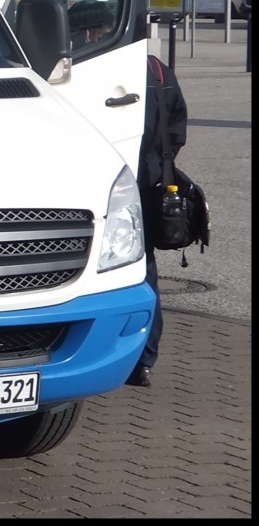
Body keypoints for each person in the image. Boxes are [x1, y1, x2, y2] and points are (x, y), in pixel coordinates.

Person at [129, 53, 188, 388]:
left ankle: (134, 356)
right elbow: (177, 128)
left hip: (127, 177)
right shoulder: (158, 70)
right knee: (146, 268)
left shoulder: (98, 68)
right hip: (154, 179)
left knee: (130, 269)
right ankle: (145, 359)